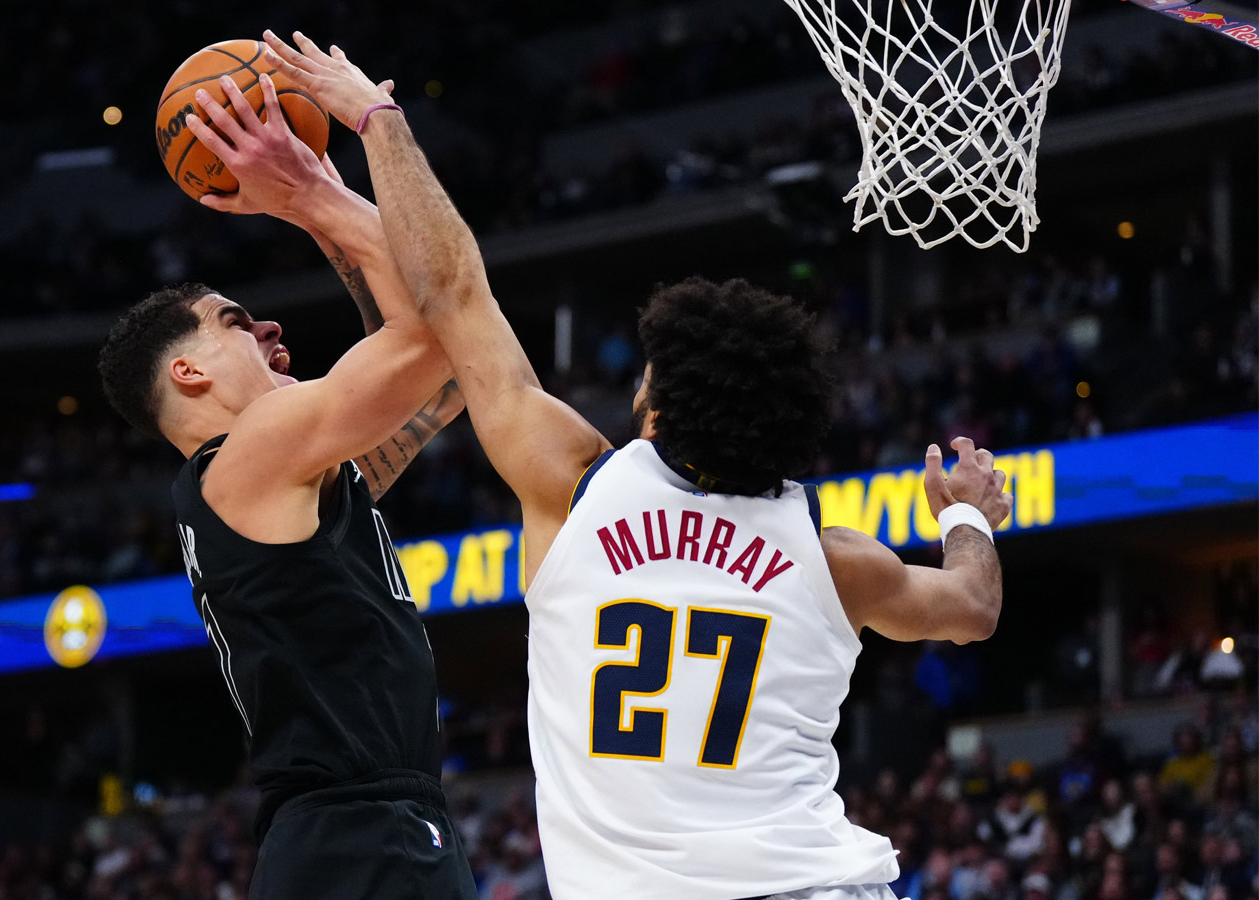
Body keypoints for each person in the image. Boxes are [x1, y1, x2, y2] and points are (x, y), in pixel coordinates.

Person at [262, 31, 1014, 900]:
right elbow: (972, 609)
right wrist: (964, 515)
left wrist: (376, 120)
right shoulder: (836, 558)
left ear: (655, 402)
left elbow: (455, 290)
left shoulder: (573, 486)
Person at [97, 71, 473, 899]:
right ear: (189, 371)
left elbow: (446, 383)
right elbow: (442, 337)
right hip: (357, 834)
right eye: (235, 321)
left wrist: (328, 197)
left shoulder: (276, 484)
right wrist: (312, 196)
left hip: (356, 832)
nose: (270, 327)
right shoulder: (250, 456)